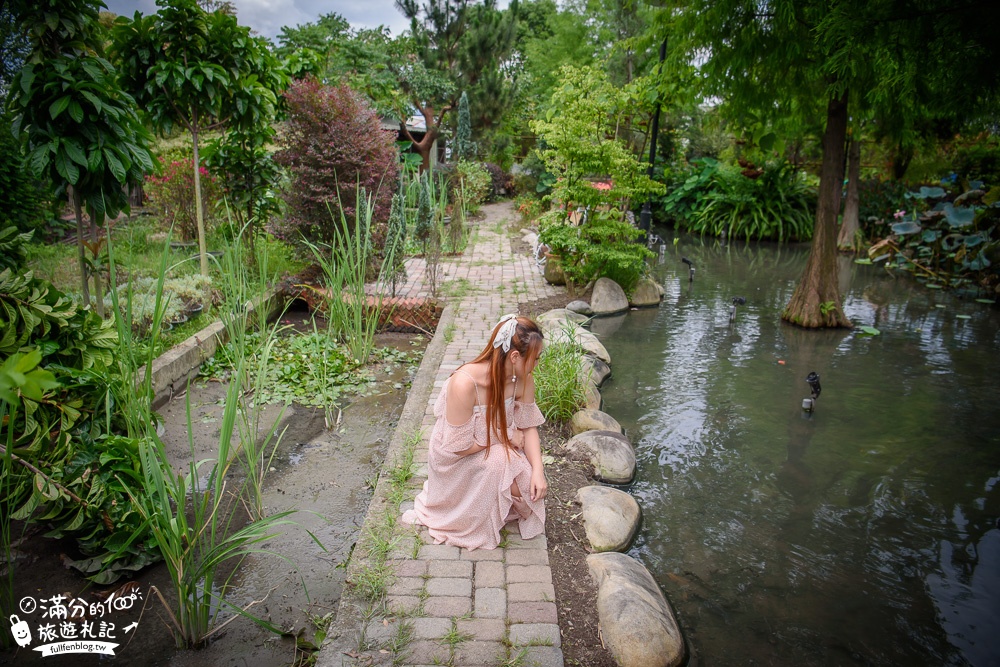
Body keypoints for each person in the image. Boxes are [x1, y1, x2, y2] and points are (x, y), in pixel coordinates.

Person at [402, 314, 547, 550]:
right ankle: (458, 512)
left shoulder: (523, 380)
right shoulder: (465, 383)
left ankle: (487, 498)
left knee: (529, 487)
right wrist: (504, 436)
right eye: (535, 358)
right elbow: (458, 448)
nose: (537, 364)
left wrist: (538, 471)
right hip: (457, 457)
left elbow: (528, 426)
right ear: (514, 357)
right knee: (500, 463)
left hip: (492, 446)